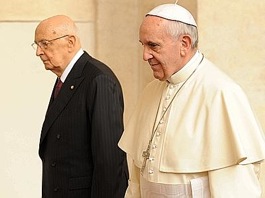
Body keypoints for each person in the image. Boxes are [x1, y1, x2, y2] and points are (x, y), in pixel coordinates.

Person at [118, 3, 265, 198]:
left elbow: (236, 190)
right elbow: (136, 180)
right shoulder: (150, 91)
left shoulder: (221, 92)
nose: (145, 56)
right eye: (142, 45)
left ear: (184, 44)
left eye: (153, 45)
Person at [32, 15, 128, 198]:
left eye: (45, 43)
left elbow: (109, 160)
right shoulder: (66, 78)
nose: (38, 52)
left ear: (70, 42)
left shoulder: (98, 79)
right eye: (36, 45)